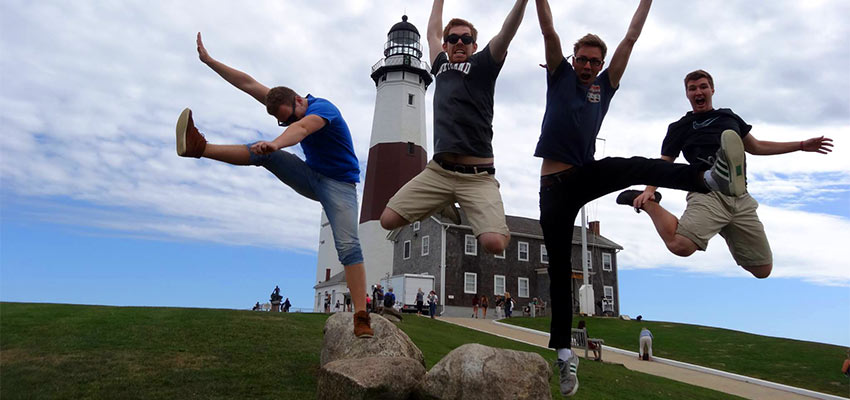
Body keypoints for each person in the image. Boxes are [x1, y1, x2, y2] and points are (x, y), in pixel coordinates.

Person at [532, 1, 747, 396]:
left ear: (600, 65)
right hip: (552, 188)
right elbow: (548, 30)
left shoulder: (604, 85)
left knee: (635, 165)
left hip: (584, 174)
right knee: (561, 269)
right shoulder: (559, 76)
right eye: (582, 59)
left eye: (594, 62)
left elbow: (630, 38)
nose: (588, 66)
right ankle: (564, 356)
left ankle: (708, 178)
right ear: (572, 59)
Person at [176, 33, 372, 338]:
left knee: (348, 245)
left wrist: (277, 142)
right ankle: (198, 148)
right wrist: (210, 61)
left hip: (340, 187)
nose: (286, 123)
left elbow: (302, 128)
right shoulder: (285, 103)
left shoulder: (324, 110)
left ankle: (361, 315)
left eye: (287, 118)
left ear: (298, 100)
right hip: (311, 177)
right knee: (261, 153)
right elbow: (248, 84)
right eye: (281, 122)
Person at [618, 69, 834, 279]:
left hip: (740, 197)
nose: (698, 92)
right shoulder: (680, 127)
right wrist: (649, 191)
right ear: (687, 94)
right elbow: (664, 162)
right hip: (706, 191)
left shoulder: (727, 117)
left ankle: (725, 222)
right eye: (692, 89)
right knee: (680, 246)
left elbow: (756, 146)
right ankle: (651, 205)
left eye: (703, 87)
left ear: (712, 90)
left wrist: (801, 145)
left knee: (762, 270)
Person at [379, 0, 530, 255]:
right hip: (439, 172)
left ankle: (492, 218)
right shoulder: (440, 67)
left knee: (493, 244)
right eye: (453, 38)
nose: (460, 42)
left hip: (477, 176)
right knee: (387, 220)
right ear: (446, 45)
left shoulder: (484, 65)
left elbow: (507, 32)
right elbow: (431, 32)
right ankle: (443, 201)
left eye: (466, 38)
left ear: (475, 45)